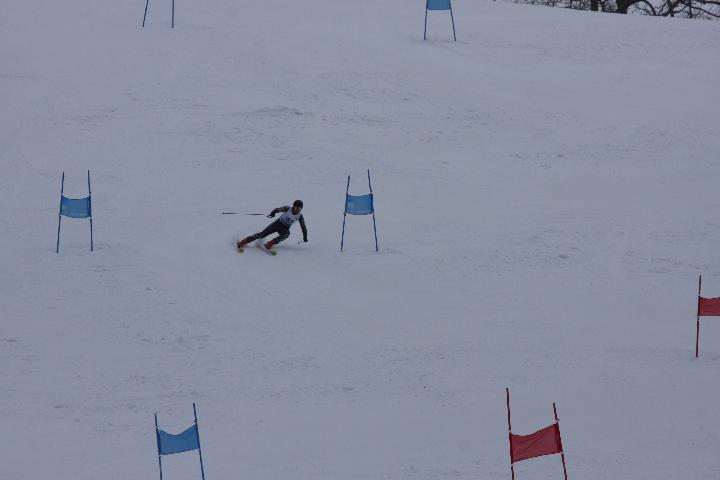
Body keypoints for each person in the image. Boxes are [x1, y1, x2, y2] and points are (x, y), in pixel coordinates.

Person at [237, 200, 308, 251]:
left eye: (299, 208)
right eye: (296, 207)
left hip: (284, 228)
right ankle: (244, 241)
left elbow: (303, 227)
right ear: (293, 206)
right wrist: (273, 213)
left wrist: (305, 237)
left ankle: (270, 243)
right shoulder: (287, 208)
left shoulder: (300, 216)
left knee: (287, 234)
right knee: (262, 234)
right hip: (277, 224)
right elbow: (278, 209)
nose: (297, 209)